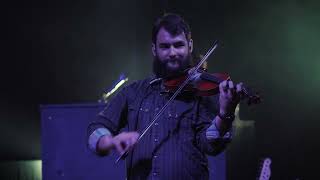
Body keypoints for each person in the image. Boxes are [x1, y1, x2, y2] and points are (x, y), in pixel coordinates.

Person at [87, 13, 243, 180]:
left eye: (178, 45)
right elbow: (94, 131)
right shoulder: (134, 92)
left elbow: (211, 145)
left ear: (189, 46)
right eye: (165, 46)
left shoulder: (200, 93)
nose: (173, 52)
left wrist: (225, 114)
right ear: (154, 49)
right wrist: (111, 141)